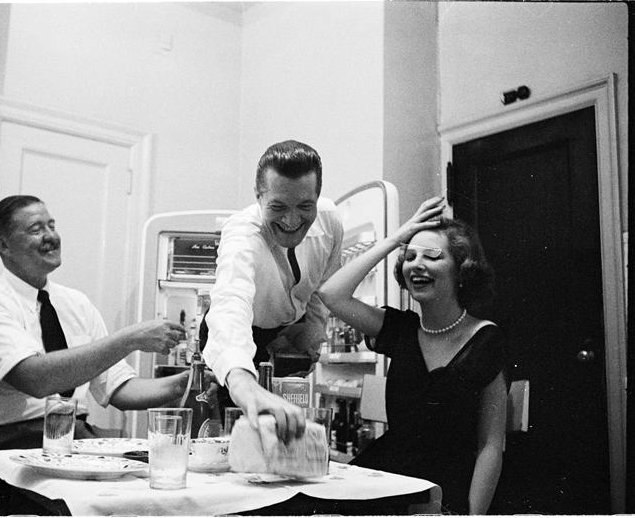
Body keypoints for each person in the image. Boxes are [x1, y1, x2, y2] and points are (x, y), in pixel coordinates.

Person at [0, 195, 189, 512]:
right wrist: (130, 339)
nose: (50, 236)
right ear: (3, 245)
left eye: (52, 225)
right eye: (36, 229)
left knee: (146, 499)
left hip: (76, 442)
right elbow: (35, 379)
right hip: (2, 447)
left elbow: (119, 388)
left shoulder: (77, 304)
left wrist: (186, 382)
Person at [319, 196, 508, 515]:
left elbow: (490, 444)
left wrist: (472, 515)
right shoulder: (399, 329)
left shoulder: (486, 339)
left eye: (431, 256)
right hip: (390, 476)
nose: (416, 264)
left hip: (447, 486)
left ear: (462, 269)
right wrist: (396, 238)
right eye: (409, 256)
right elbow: (331, 294)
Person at [201, 140, 343, 443]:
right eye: (278, 207)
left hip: (290, 330)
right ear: (258, 196)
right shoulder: (242, 232)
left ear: (318, 198)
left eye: (305, 207)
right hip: (241, 331)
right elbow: (230, 302)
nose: (292, 220)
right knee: (241, 434)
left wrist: (314, 331)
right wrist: (241, 380)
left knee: (289, 430)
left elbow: (324, 285)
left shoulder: (330, 220)